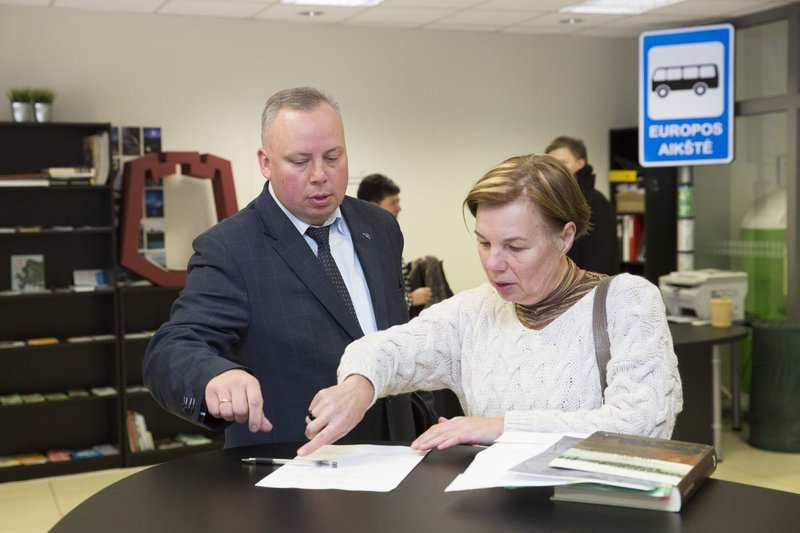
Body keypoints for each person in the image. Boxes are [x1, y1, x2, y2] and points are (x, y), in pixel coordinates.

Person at [298, 154, 682, 456]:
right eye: (484, 242)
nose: (493, 263)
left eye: (515, 247)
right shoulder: (475, 312)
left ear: (565, 237)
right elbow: (389, 349)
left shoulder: (626, 301)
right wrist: (360, 382)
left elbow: (642, 424)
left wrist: (495, 427)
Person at [142, 87, 416, 448]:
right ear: (265, 162)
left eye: (333, 157)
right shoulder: (230, 247)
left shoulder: (379, 227)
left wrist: (421, 415)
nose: (320, 175)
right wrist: (214, 375)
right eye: (300, 161)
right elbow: (173, 348)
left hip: (397, 454)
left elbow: (396, 333)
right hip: (298, 468)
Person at [356, 173, 432, 309]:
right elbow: (370, 295)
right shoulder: (364, 241)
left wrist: (409, 267)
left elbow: (389, 278)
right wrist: (411, 299)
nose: (399, 208)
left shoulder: (382, 233)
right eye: (393, 202)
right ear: (373, 206)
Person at [545, 136, 619, 276]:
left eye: (562, 163)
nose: (556, 169)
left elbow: (600, 258)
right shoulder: (552, 200)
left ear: (580, 163)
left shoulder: (596, 202)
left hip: (587, 290)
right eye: (551, 164)